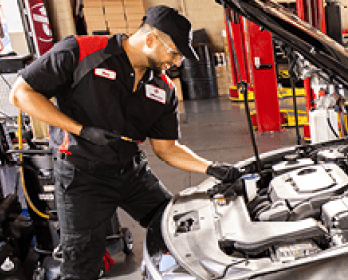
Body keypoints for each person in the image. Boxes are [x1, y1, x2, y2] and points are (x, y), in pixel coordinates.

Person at [10, 5, 241, 280]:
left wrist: (211, 167)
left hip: (131, 173)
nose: (178, 62)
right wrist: (80, 130)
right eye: (175, 52)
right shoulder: (81, 51)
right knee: (80, 266)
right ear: (151, 38)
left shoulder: (163, 89)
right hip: (81, 178)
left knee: (174, 227)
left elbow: (166, 148)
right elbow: (21, 94)